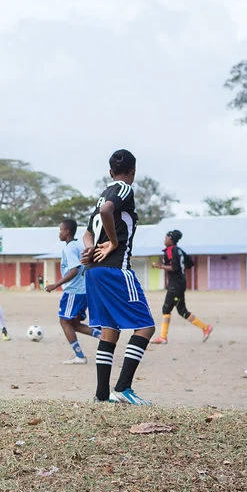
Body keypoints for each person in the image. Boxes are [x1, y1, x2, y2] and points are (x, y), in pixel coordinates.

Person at [81, 149, 156, 405]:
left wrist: (90, 247)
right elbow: (107, 213)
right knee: (146, 326)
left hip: (94, 271)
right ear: (132, 172)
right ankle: (123, 387)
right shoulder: (123, 189)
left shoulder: (101, 195)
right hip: (116, 269)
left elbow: (88, 231)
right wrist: (113, 242)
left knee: (110, 330)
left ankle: (102, 395)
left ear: (110, 171)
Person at [45, 219, 101, 364]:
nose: (59, 233)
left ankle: (80, 356)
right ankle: (103, 335)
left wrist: (55, 285)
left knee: (64, 321)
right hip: (84, 290)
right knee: (74, 324)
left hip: (74, 291)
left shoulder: (70, 248)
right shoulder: (79, 245)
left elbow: (74, 269)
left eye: (61, 230)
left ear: (67, 231)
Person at [150, 229, 213, 345]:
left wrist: (160, 266)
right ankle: (205, 328)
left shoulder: (171, 250)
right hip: (180, 282)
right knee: (182, 310)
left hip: (175, 284)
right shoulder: (180, 251)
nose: (164, 240)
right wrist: (180, 271)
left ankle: (163, 337)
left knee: (166, 309)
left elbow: (174, 268)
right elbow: (190, 264)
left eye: (166, 238)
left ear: (171, 239)